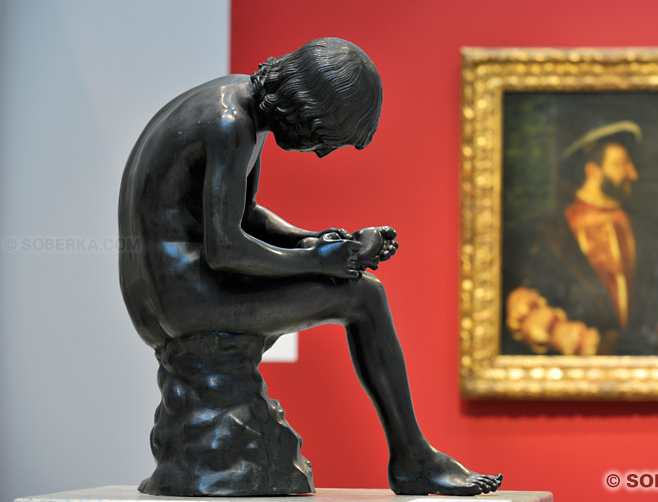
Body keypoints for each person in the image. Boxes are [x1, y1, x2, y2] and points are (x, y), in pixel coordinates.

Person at [119, 37, 501, 496]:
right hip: (183, 299)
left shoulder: (239, 105)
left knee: (354, 283)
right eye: (322, 139)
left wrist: (317, 241)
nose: (319, 154)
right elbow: (225, 249)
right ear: (305, 108)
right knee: (364, 296)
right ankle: (413, 459)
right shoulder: (229, 124)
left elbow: (244, 216)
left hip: (171, 289)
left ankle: (414, 456)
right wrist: (319, 260)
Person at [504, 121, 658, 356]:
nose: (633, 174)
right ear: (592, 170)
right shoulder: (544, 233)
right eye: (621, 164)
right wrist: (565, 335)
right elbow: (523, 313)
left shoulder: (651, 233)